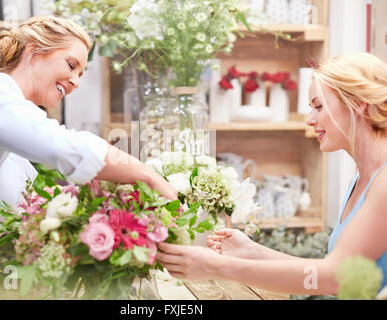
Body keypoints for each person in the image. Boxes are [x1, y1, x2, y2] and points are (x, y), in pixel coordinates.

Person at [0, 16, 177, 299]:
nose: (75, 81)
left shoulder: (12, 121)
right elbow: (62, 147)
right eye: (71, 65)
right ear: (34, 52)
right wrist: (147, 175)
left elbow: (20, 203)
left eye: (80, 74)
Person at [157, 52, 387, 296]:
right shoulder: (361, 179)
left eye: (319, 106)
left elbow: (334, 278)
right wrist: (253, 253)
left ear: (360, 104)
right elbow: (322, 272)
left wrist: (216, 266)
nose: (310, 120)